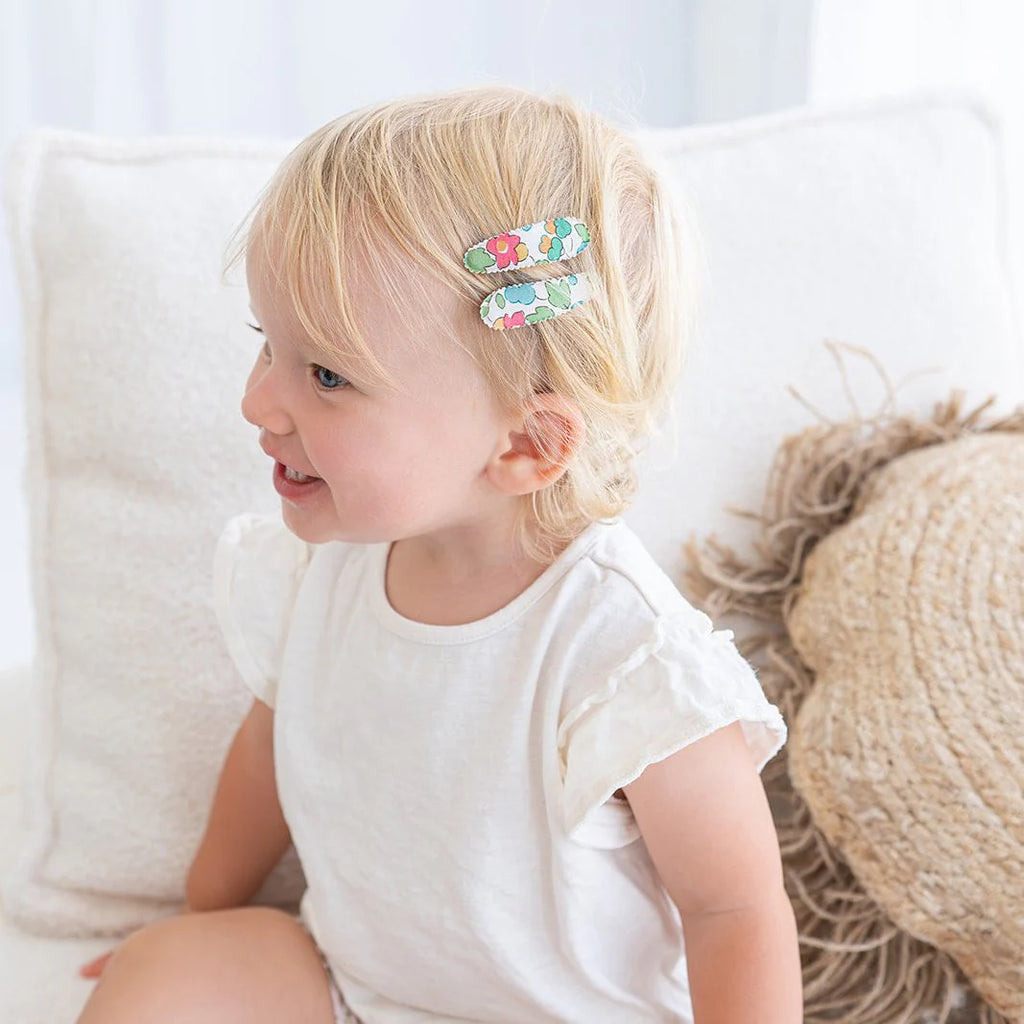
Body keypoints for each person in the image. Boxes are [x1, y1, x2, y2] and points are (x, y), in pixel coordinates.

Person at [76, 86, 802, 1024]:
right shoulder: (329, 566)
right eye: (269, 345)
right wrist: (198, 923)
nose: (260, 405)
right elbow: (268, 751)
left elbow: (733, 909)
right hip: (357, 990)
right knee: (175, 972)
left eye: (327, 375)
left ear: (528, 445)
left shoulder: (627, 659)